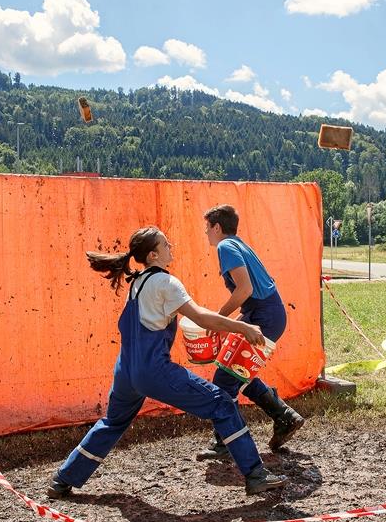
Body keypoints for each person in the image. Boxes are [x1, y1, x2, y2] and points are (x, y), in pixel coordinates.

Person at [48, 226, 288, 498]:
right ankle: (256, 475)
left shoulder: (136, 282)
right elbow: (200, 318)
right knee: (222, 403)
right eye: (165, 244)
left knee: (113, 422)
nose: (170, 245)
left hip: (126, 369)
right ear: (153, 255)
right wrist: (242, 327)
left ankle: (63, 479)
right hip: (153, 370)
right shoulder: (166, 282)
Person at [196, 204, 305, 461]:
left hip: (264, 315)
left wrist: (218, 319)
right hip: (264, 312)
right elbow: (252, 294)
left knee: (225, 379)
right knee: (234, 371)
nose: (206, 233)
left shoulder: (226, 247)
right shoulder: (238, 243)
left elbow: (244, 289)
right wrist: (234, 322)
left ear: (217, 227)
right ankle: (284, 417)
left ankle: (226, 442)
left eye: (207, 228)